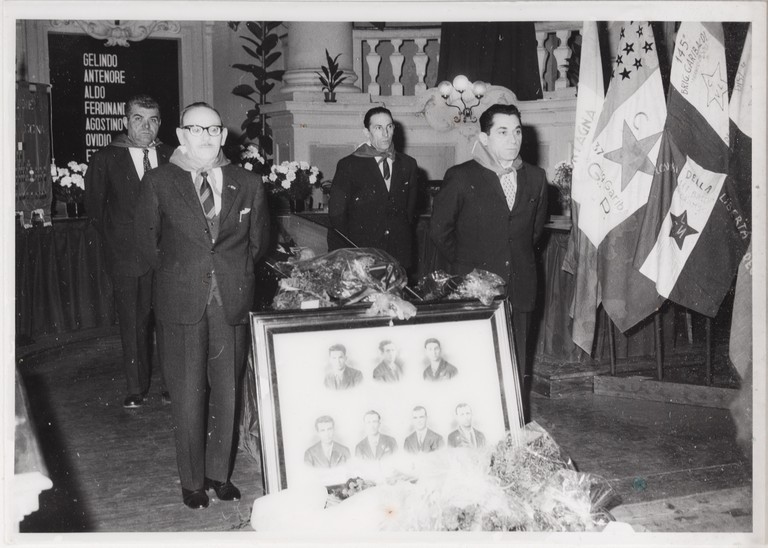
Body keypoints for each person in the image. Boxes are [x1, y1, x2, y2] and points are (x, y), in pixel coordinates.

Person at [134, 102, 270, 510]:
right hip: (181, 303)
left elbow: (258, 245)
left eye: (214, 130)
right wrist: (183, 274)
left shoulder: (247, 182)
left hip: (229, 302)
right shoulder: (159, 181)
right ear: (180, 135)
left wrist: (228, 276)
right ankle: (192, 481)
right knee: (189, 395)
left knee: (227, 395)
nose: (206, 137)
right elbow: (146, 244)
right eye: (196, 129)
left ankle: (218, 474)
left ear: (223, 136)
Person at [430, 103, 548, 413]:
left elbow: (532, 234)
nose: (514, 139)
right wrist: (470, 270)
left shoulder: (536, 178)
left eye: (518, 131)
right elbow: (440, 232)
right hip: (474, 290)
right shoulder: (460, 176)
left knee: (516, 365)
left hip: (520, 288)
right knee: (473, 365)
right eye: (503, 132)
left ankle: (513, 426)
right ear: (484, 138)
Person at [85, 94, 174, 409]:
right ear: (125, 121)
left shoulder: (173, 155)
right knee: (133, 323)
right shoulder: (106, 158)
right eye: (138, 118)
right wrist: (120, 245)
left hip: (168, 257)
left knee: (170, 322)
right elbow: (95, 212)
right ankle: (137, 388)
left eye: (152, 119)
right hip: (127, 257)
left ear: (160, 123)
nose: (146, 126)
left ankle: (172, 386)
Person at [328, 106, 420, 271]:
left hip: (398, 254)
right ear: (366, 132)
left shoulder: (409, 164)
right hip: (362, 255)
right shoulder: (349, 165)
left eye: (389, 127)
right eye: (378, 128)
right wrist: (351, 255)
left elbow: (408, 213)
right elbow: (337, 216)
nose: (385, 134)